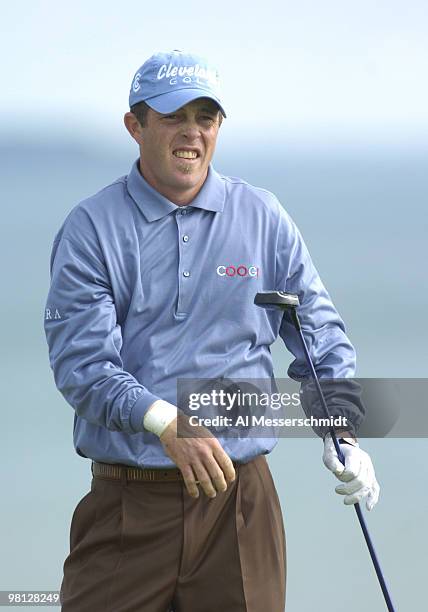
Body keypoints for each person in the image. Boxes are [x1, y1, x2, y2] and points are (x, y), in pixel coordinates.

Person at [44, 50, 380, 612]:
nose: (192, 133)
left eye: (206, 117)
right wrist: (167, 423)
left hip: (240, 505)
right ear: (136, 125)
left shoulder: (263, 217)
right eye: (174, 116)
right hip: (130, 503)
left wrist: (339, 432)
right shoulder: (92, 229)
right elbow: (84, 367)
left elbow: (318, 334)